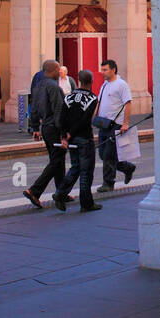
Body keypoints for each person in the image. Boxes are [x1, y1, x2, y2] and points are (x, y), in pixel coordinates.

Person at [24, 60, 71, 208]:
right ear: (53, 70)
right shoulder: (54, 87)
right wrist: (63, 133)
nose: (60, 72)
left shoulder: (38, 86)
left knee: (58, 159)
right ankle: (34, 190)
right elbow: (59, 110)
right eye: (58, 69)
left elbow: (33, 108)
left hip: (45, 127)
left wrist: (35, 127)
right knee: (56, 161)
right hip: (54, 128)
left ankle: (61, 191)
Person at [53, 69, 101, 213]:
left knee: (75, 167)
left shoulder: (69, 97)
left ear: (79, 81)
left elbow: (62, 118)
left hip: (71, 139)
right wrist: (72, 133)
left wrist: (64, 135)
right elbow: (85, 119)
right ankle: (86, 203)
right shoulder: (93, 98)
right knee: (86, 171)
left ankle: (60, 193)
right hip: (84, 137)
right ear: (91, 81)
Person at [95, 59, 138, 193]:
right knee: (103, 154)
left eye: (105, 70)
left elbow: (128, 104)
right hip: (103, 124)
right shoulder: (104, 85)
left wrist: (125, 123)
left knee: (108, 155)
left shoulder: (121, 85)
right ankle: (127, 168)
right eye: (102, 70)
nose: (102, 72)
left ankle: (108, 183)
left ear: (113, 70)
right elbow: (99, 103)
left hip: (115, 125)